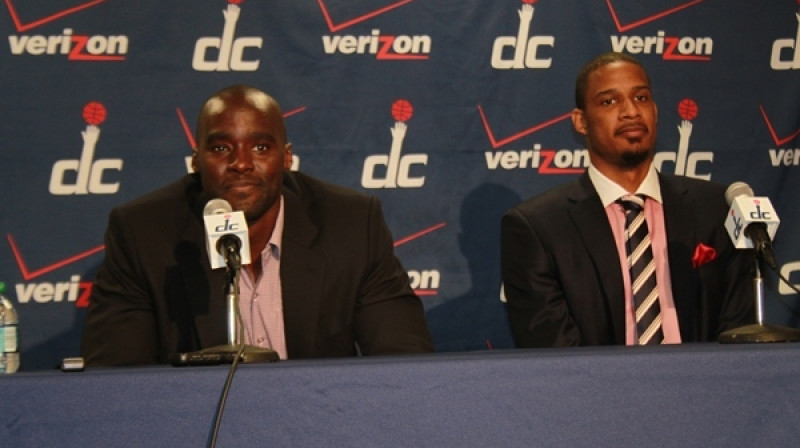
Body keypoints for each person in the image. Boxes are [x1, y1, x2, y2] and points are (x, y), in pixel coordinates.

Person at [81, 84, 434, 365]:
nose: (241, 164)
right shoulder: (143, 234)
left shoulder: (352, 225)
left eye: (261, 147)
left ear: (287, 158)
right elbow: (118, 379)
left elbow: (403, 362)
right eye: (221, 149)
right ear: (195, 162)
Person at [500, 52, 755, 348]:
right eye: (609, 101)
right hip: (598, 392)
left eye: (642, 98)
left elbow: (738, 330)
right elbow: (555, 355)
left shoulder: (715, 209)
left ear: (656, 112)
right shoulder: (537, 227)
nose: (631, 111)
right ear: (580, 122)